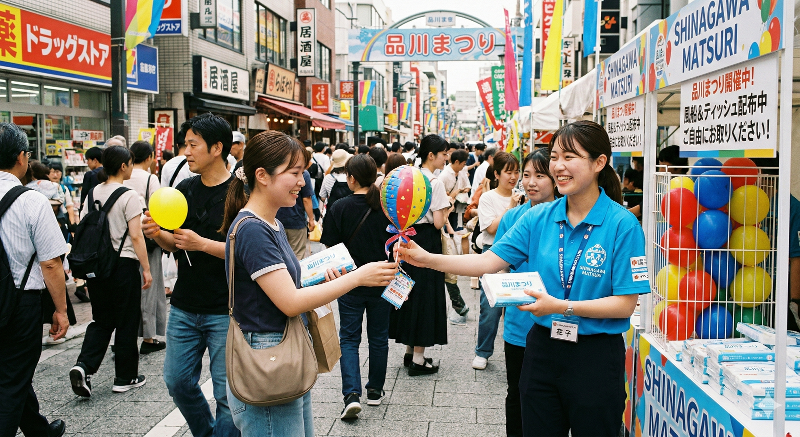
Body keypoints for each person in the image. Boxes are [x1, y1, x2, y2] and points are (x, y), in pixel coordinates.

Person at [398, 121, 649, 436]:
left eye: (570, 157)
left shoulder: (623, 225)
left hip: (595, 357)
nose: (558, 166)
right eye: (555, 156)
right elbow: (488, 261)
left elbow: (625, 304)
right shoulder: (538, 217)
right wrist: (426, 258)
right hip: (542, 350)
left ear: (599, 163)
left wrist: (562, 306)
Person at [219, 131, 397, 436]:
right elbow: (289, 301)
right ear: (262, 176)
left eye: (302, 172)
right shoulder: (253, 229)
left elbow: (284, 284)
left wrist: (318, 276)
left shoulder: (271, 222)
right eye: (295, 173)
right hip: (269, 356)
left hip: (281, 351)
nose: (303, 182)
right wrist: (357, 277)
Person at [141, 114, 239, 437]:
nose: (186, 151)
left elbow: (248, 250)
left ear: (217, 148)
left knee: (227, 395)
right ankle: (207, 432)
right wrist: (156, 233)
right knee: (177, 381)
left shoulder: (240, 194)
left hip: (226, 308)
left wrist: (203, 244)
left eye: (193, 145)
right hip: (184, 305)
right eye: (185, 144)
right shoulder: (183, 188)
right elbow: (175, 242)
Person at [0, 123, 69, 437]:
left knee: (12, 372)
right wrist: (62, 310)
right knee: (13, 376)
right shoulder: (32, 201)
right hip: (20, 304)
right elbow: (52, 263)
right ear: (21, 157)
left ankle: (39, 431)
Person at [69, 146, 152, 397]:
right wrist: (146, 269)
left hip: (98, 267)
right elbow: (136, 236)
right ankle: (125, 377)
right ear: (124, 166)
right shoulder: (130, 196)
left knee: (102, 320)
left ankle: (84, 366)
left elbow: (85, 226)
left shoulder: (93, 192)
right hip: (123, 266)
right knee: (127, 321)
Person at [320, 154, 395, 420]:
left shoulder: (339, 206)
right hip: (382, 280)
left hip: (350, 282)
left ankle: (351, 395)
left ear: (351, 178)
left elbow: (329, 245)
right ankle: (375, 390)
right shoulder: (386, 206)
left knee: (349, 339)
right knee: (378, 337)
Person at [496, 148, 558, 437]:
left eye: (540, 175)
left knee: (551, 399)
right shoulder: (512, 218)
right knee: (517, 392)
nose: (531, 182)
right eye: (527, 175)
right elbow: (498, 265)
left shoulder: (567, 219)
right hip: (519, 323)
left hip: (557, 323)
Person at [388, 134, 451, 376]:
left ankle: (408, 351)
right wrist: (446, 210)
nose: (446, 158)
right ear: (431, 155)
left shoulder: (407, 176)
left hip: (405, 238)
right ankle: (418, 358)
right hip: (426, 241)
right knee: (425, 296)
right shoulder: (434, 183)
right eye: (443, 154)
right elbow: (437, 223)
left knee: (409, 291)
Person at [472, 152, 521, 370]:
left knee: (518, 305)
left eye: (516, 172)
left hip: (519, 253)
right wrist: (511, 207)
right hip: (492, 250)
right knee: (490, 305)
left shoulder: (524, 196)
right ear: (497, 174)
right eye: (508, 172)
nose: (514, 177)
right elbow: (491, 228)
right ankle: (483, 351)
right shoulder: (488, 197)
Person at [124, 141, 167, 355]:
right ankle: (149, 337)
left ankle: (122, 337)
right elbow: (157, 208)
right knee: (149, 287)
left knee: (127, 290)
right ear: (149, 157)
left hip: (122, 243)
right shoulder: (150, 178)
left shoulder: (121, 175)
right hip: (146, 239)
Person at [438, 148, 471, 323]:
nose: (446, 158)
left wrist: (450, 230)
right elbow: (441, 210)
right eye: (443, 155)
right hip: (440, 228)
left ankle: (459, 307)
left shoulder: (446, 176)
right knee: (448, 273)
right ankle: (459, 307)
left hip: (445, 225)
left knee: (448, 272)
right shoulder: (442, 178)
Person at [276, 149, 315, 260]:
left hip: (276, 219)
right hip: (296, 219)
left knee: (279, 256)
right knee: (297, 256)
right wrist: (311, 219)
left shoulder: (278, 172)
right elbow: (306, 199)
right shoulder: (304, 174)